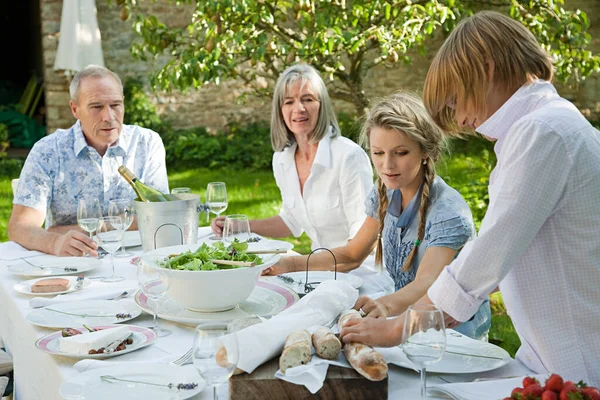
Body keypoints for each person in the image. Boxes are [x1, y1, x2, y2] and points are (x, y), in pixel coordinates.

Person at [340, 11, 600, 386]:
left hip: (579, 366)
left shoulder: (542, 131)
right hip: (552, 357)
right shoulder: (544, 125)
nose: (459, 119)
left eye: (455, 100)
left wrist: (401, 329)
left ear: (487, 69)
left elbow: (487, 258)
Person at [265, 92, 491, 340]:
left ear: (425, 152)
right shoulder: (385, 192)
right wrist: (290, 264)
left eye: (401, 153)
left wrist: (385, 305)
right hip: (406, 322)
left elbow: (427, 282)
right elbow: (353, 254)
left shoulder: (448, 213)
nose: (387, 165)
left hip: (452, 337)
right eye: (378, 153)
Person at [8, 65, 169, 257]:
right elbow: (21, 226)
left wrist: (96, 226)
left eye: (116, 105)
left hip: (138, 258)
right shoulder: (48, 151)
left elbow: (161, 214)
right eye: (96, 107)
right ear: (75, 109)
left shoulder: (146, 143)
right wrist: (55, 242)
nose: (109, 117)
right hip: (72, 263)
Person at [211, 64, 373, 251]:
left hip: (359, 270)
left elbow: (363, 235)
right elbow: (292, 220)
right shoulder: (282, 159)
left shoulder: (348, 157)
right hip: (320, 267)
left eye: (308, 99)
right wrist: (239, 226)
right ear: (280, 110)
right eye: (289, 102)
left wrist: (308, 266)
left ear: (322, 105)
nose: (299, 108)